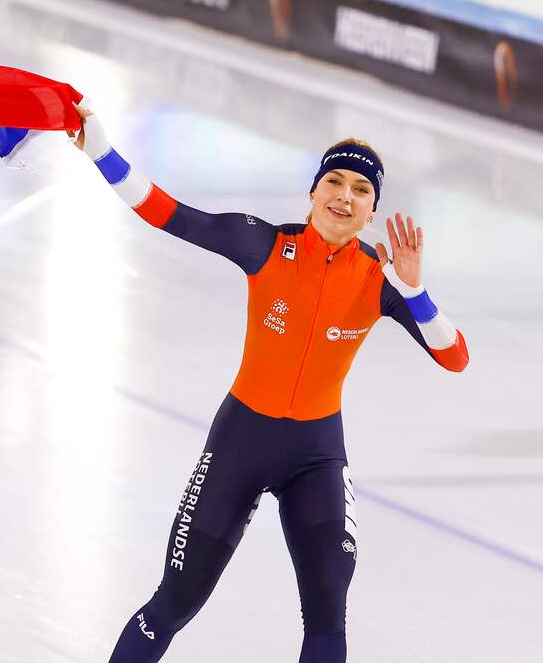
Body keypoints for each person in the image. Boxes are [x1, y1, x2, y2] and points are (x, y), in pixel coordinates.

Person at [72, 105, 469, 663]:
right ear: (312, 193)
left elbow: (455, 357)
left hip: (316, 457)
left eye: (360, 190)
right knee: (175, 601)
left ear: (372, 211)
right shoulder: (264, 244)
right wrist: (101, 153)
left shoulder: (381, 281)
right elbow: (170, 214)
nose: (344, 196)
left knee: (329, 607)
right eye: (334, 181)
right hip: (241, 444)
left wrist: (415, 291)